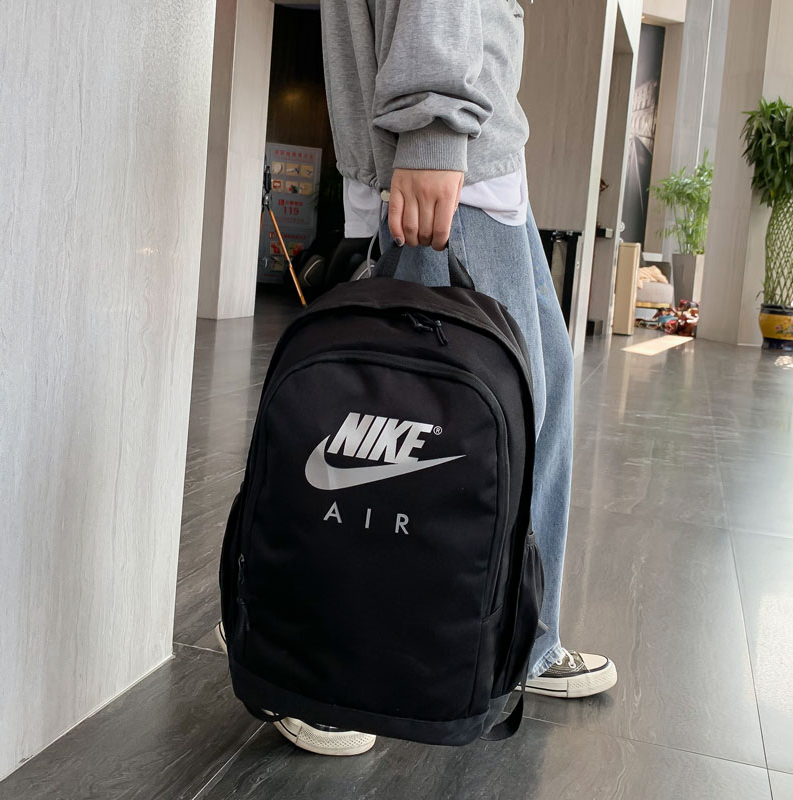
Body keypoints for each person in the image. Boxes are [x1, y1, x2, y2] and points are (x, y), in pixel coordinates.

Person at [217, 0, 617, 756]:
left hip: (482, 145)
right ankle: (330, 672)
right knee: (413, 422)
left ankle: (519, 643)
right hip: (446, 149)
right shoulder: (438, 130)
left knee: (540, 387)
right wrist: (434, 128)